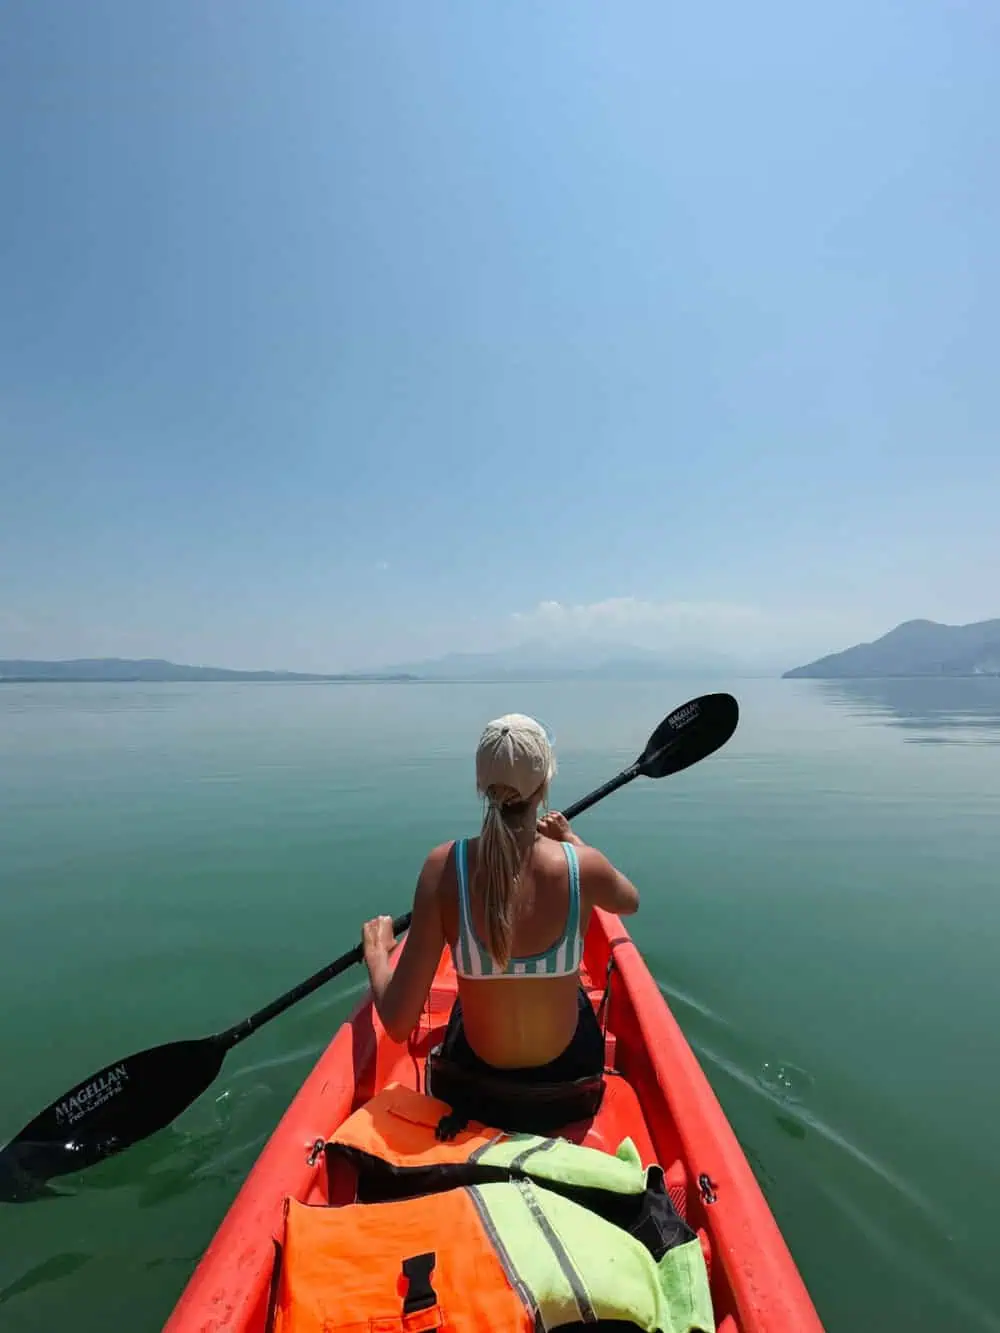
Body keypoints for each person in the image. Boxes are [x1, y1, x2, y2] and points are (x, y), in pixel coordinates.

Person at [361, 713, 639, 1126]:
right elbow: (628, 901)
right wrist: (574, 843)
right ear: (544, 785)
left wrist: (377, 955)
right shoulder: (584, 866)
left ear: (481, 786)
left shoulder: (443, 868)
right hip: (568, 1087)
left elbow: (400, 1024)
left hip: (478, 1088)